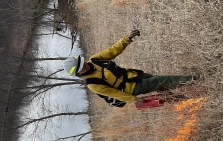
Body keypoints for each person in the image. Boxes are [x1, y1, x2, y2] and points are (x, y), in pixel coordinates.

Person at [62, 29, 198, 103]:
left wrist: (126, 39)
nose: (85, 65)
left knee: (161, 86)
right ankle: (195, 80)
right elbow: (114, 94)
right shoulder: (93, 84)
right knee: (161, 80)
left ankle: (186, 100)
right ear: (78, 74)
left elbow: (112, 50)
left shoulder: (94, 60)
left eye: (82, 63)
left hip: (134, 75)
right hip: (133, 88)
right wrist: (134, 99)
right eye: (81, 68)